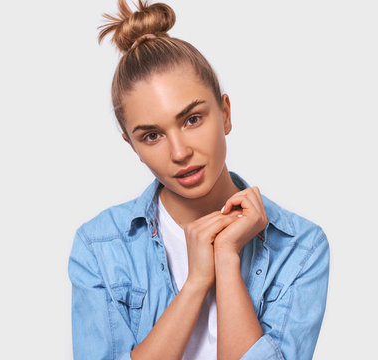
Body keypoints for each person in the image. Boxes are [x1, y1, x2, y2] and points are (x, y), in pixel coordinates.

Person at [68, 1, 330, 359]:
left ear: (224, 113)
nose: (179, 152)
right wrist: (196, 284)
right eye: (151, 136)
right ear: (132, 146)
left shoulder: (300, 247)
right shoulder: (100, 248)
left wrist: (226, 258)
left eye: (192, 119)